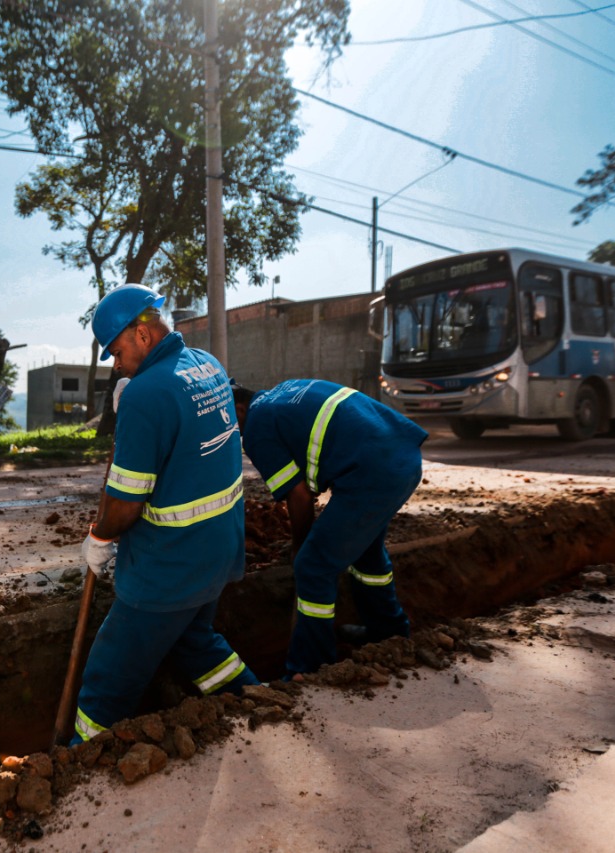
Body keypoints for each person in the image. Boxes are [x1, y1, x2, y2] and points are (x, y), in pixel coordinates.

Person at [71, 283, 260, 745]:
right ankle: (253, 700)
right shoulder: (208, 366)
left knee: (109, 672)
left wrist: (100, 538)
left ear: (143, 334)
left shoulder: (145, 395)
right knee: (194, 641)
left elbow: (126, 499)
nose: (116, 363)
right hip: (218, 553)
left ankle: (77, 758)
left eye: (116, 351)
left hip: (169, 567)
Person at [231, 378, 427, 678]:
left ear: (241, 408)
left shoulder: (257, 426)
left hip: (372, 475)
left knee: (313, 564)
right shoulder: (286, 389)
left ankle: (311, 666)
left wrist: (301, 546)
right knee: (366, 552)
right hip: (402, 459)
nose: (234, 432)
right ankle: (388, 632)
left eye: (231, 423)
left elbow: (298, 495)